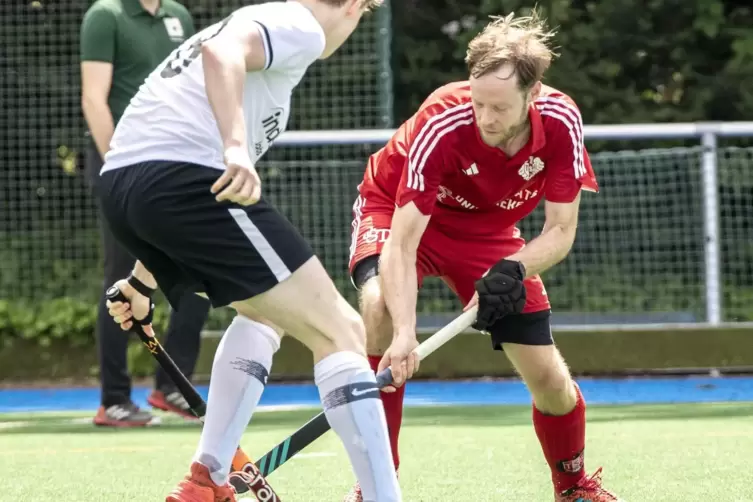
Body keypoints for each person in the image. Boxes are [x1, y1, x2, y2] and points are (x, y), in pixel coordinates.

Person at [97, 1, 402, 501]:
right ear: (352, 6)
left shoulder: (261, 26)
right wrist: (235, 147)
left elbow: (158, 171)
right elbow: (222, 54)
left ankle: (208, 481)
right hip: (182, 180)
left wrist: (140, 282)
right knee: (342, 331)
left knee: (264, 316)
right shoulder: (300, 25)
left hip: (125, 189)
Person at [345, 12, 623, 502]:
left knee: (549, 377)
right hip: (399, 213)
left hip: (490, 232)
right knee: (381, 311)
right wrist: (407, 334)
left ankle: (574, 487)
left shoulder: (561, 122)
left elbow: (560, 231)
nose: (485, 118)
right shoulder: (442, 121)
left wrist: (513, 270)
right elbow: (403, 244)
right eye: (478, 102)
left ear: (533, 95)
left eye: (499, 107)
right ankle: (376, 486)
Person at [80, 0, 210, 427]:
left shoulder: (179, 16)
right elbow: (94, 100)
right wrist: (119, 165)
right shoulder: (106, 15)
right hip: (123, 165)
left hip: (174, 164)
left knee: (196, 269)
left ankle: (172, 387)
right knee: (122, 277)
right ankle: (114, 399)